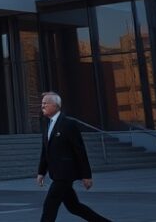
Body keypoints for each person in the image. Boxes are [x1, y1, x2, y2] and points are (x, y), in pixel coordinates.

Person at [35, 92, 110, 222]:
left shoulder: (68, 124)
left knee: (50, 205)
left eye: (45, 103)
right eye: (42, 103)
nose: (42, 106)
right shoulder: (46, 124)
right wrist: (41, 172)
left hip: (65, 173)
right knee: (74, 207)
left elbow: (80, 151)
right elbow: (45, 150)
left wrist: (86, 175)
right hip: (56, 173)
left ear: (56, 105)